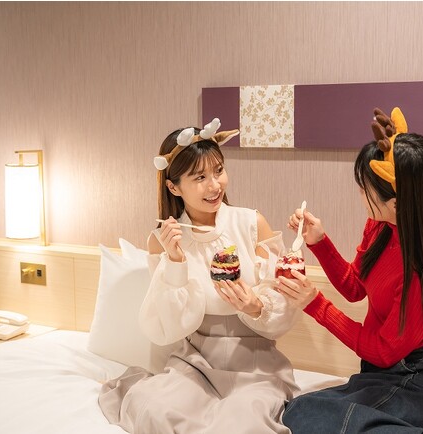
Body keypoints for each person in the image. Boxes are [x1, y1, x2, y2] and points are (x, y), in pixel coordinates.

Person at [98, 118, 301, 434]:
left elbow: (283, 304)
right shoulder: (163, 240)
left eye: (218, 171)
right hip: (195, 363)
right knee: (155, 410)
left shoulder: (251, 223)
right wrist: (175, 261)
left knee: (242, 425)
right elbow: (167, 327)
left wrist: (255, 306)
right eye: (200, 177)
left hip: (255, 365)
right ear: (173, 187)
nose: (214, 185)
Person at [275, 108, 423, 433]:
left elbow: (382, 350)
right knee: (299, 411)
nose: (360, 193)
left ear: (397, 203)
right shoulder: (379, 226)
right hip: (386, 376)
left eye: (365, 188)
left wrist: (315, 304)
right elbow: (355, 288)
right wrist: (319, 242)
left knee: (314, 416)